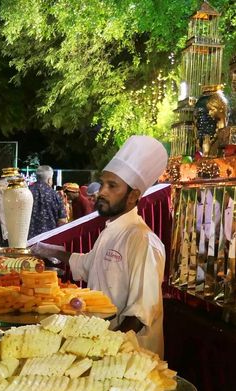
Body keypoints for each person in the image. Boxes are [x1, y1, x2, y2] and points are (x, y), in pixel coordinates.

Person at [33, 136, 168, 357]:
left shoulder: (142, 240)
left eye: (112, 186)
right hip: (103, 346)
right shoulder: (111, 230)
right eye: (103, 183)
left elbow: (139, 315)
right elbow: (88, 264)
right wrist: (47, 250)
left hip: (129, 359)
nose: (101, 192)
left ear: (134, 195)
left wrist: (102, 347)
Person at [28, 165, 67, 239]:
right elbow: (62, 221)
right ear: (49, 180)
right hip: (49, 240)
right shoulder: (55, 195)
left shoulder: (27, 192)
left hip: (28, 240)